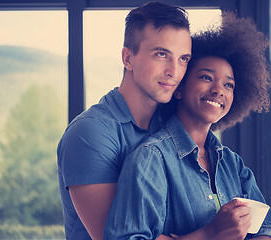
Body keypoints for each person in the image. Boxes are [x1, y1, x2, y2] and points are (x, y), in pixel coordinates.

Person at [103, 12, 271, 240]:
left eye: (229, 85)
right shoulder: (151, 159)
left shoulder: (232, 164)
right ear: (179, 87)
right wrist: (211, 234)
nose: (219, 90)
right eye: (206, 78)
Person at [57, 2, 192, 240]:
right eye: (162, 54)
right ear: (127, 58)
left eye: (183, 59)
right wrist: (213, 233)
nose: (174, 71)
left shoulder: (170, 126)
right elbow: (120, 235)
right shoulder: (90, 133)